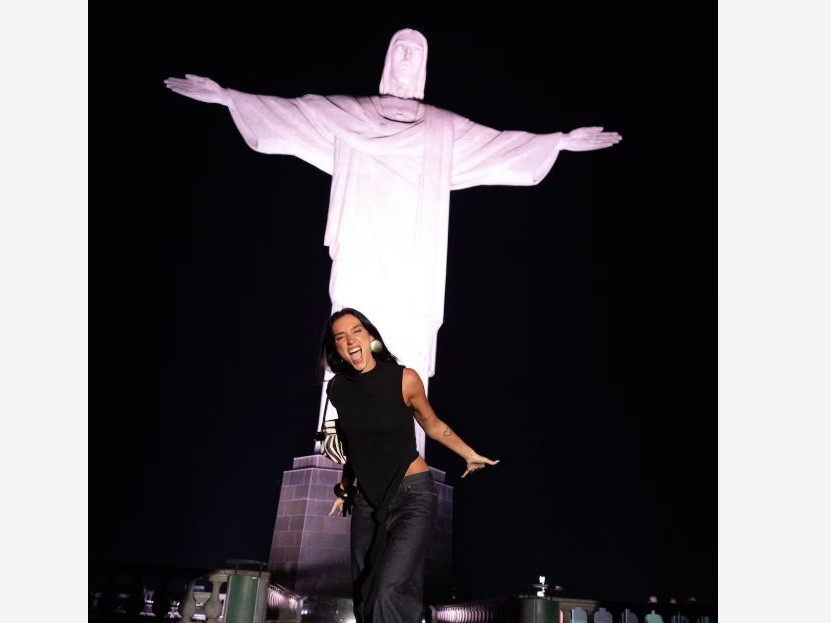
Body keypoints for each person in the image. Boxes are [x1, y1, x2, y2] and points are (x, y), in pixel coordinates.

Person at [164, 28, 622, 455]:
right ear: (387, 60)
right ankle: (337, 443)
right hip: (362, 244)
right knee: (351, 331)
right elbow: (291, 114)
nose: (406, 56)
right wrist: (229, 97)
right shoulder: (352, 113)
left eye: (415, 52)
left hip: (412, 256)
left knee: (406, 337)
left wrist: (559, 142)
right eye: (399, 48)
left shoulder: (442, 128)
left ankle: (403, 446)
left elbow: (499, 146)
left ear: (423, 67)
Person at [320, 307, 498, 622]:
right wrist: (345, 489)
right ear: (336, 347)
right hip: (367, 501)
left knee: (389, 590)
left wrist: (468, 453)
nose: (350, 341)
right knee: (365, 594)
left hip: (412, 495)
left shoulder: (405, 379)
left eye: (356, 331)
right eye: (340, 337)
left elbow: (432, 424)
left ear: (370, 336)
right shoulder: (337, 390)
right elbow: (354, 445)